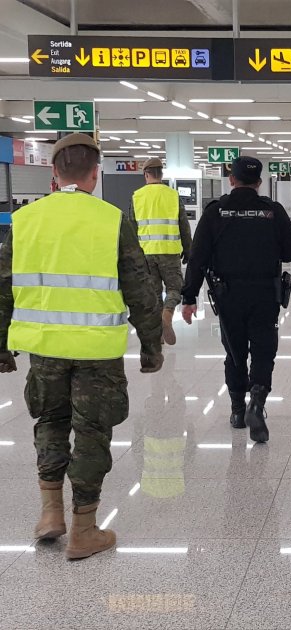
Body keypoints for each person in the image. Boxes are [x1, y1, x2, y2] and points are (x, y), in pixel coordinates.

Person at [0, 133, 163, 560]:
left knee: (50, 421)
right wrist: (151, 347)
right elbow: (140, 289)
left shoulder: (25, 220)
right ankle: (84, 529)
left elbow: (2, 287)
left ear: (53, 173)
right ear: (96, 173)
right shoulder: (110, 220)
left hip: (44, 348)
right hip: (97, 350)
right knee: (92, 431)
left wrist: (2, 345)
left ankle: (50, 512)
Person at [181, 157, 291, 443]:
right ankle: (257, 403)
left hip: (228, 295)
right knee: (263, 350)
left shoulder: (215, 212)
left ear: (231, 180)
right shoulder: (272, 211)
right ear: (259, 182)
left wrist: (188, 297)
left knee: (234, 352)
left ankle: (237, 411)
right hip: (264, 294)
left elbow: (197, 258)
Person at [129, 158, 192, 345]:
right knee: (175, 288)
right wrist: (188, 250)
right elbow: (184, 225)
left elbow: (131, 229)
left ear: (146, 174)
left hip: (145, 253)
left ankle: (158, 336)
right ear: (161, 174)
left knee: (154, 293)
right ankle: (167, 315)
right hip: (169, 251)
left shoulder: (136, 196)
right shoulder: (173, 195)